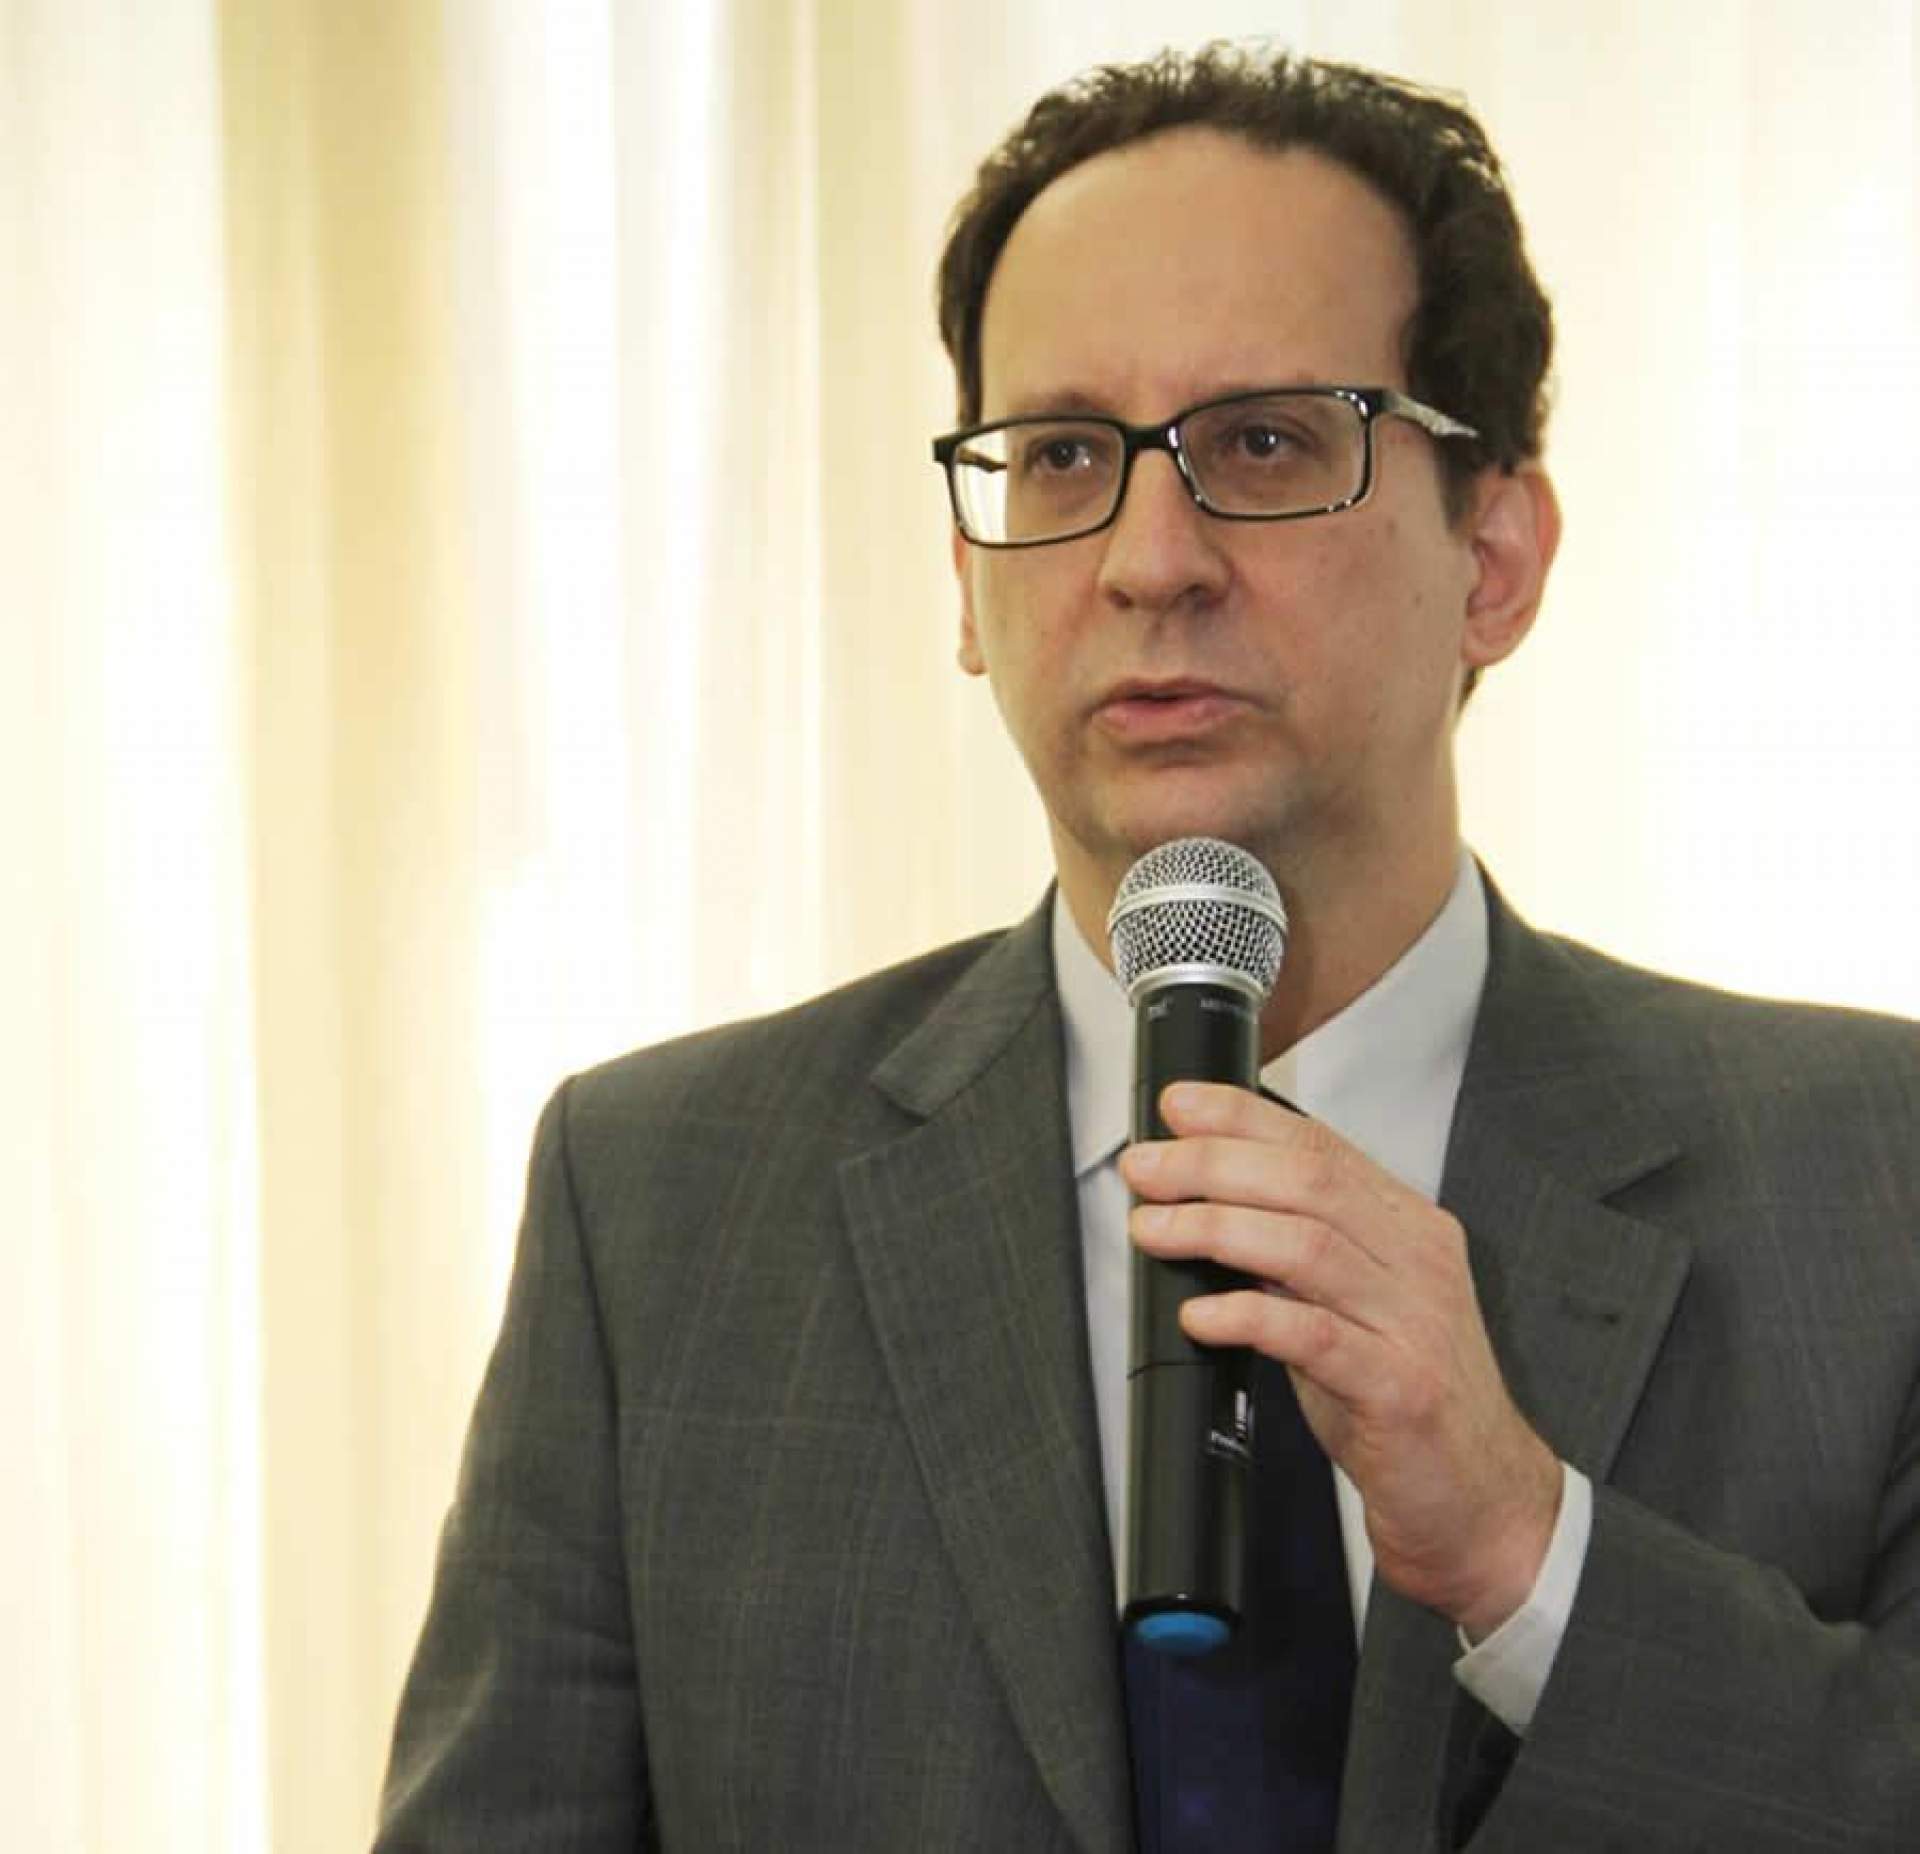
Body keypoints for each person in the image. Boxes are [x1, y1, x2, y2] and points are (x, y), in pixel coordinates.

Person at [374, 45, 1920, 1853]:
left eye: (1262, 441)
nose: (1146, 557)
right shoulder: (654, 1212)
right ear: (968, 587)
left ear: (1494, 555)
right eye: (1061, 457)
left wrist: (1527, 1549)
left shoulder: (1874, 1177)